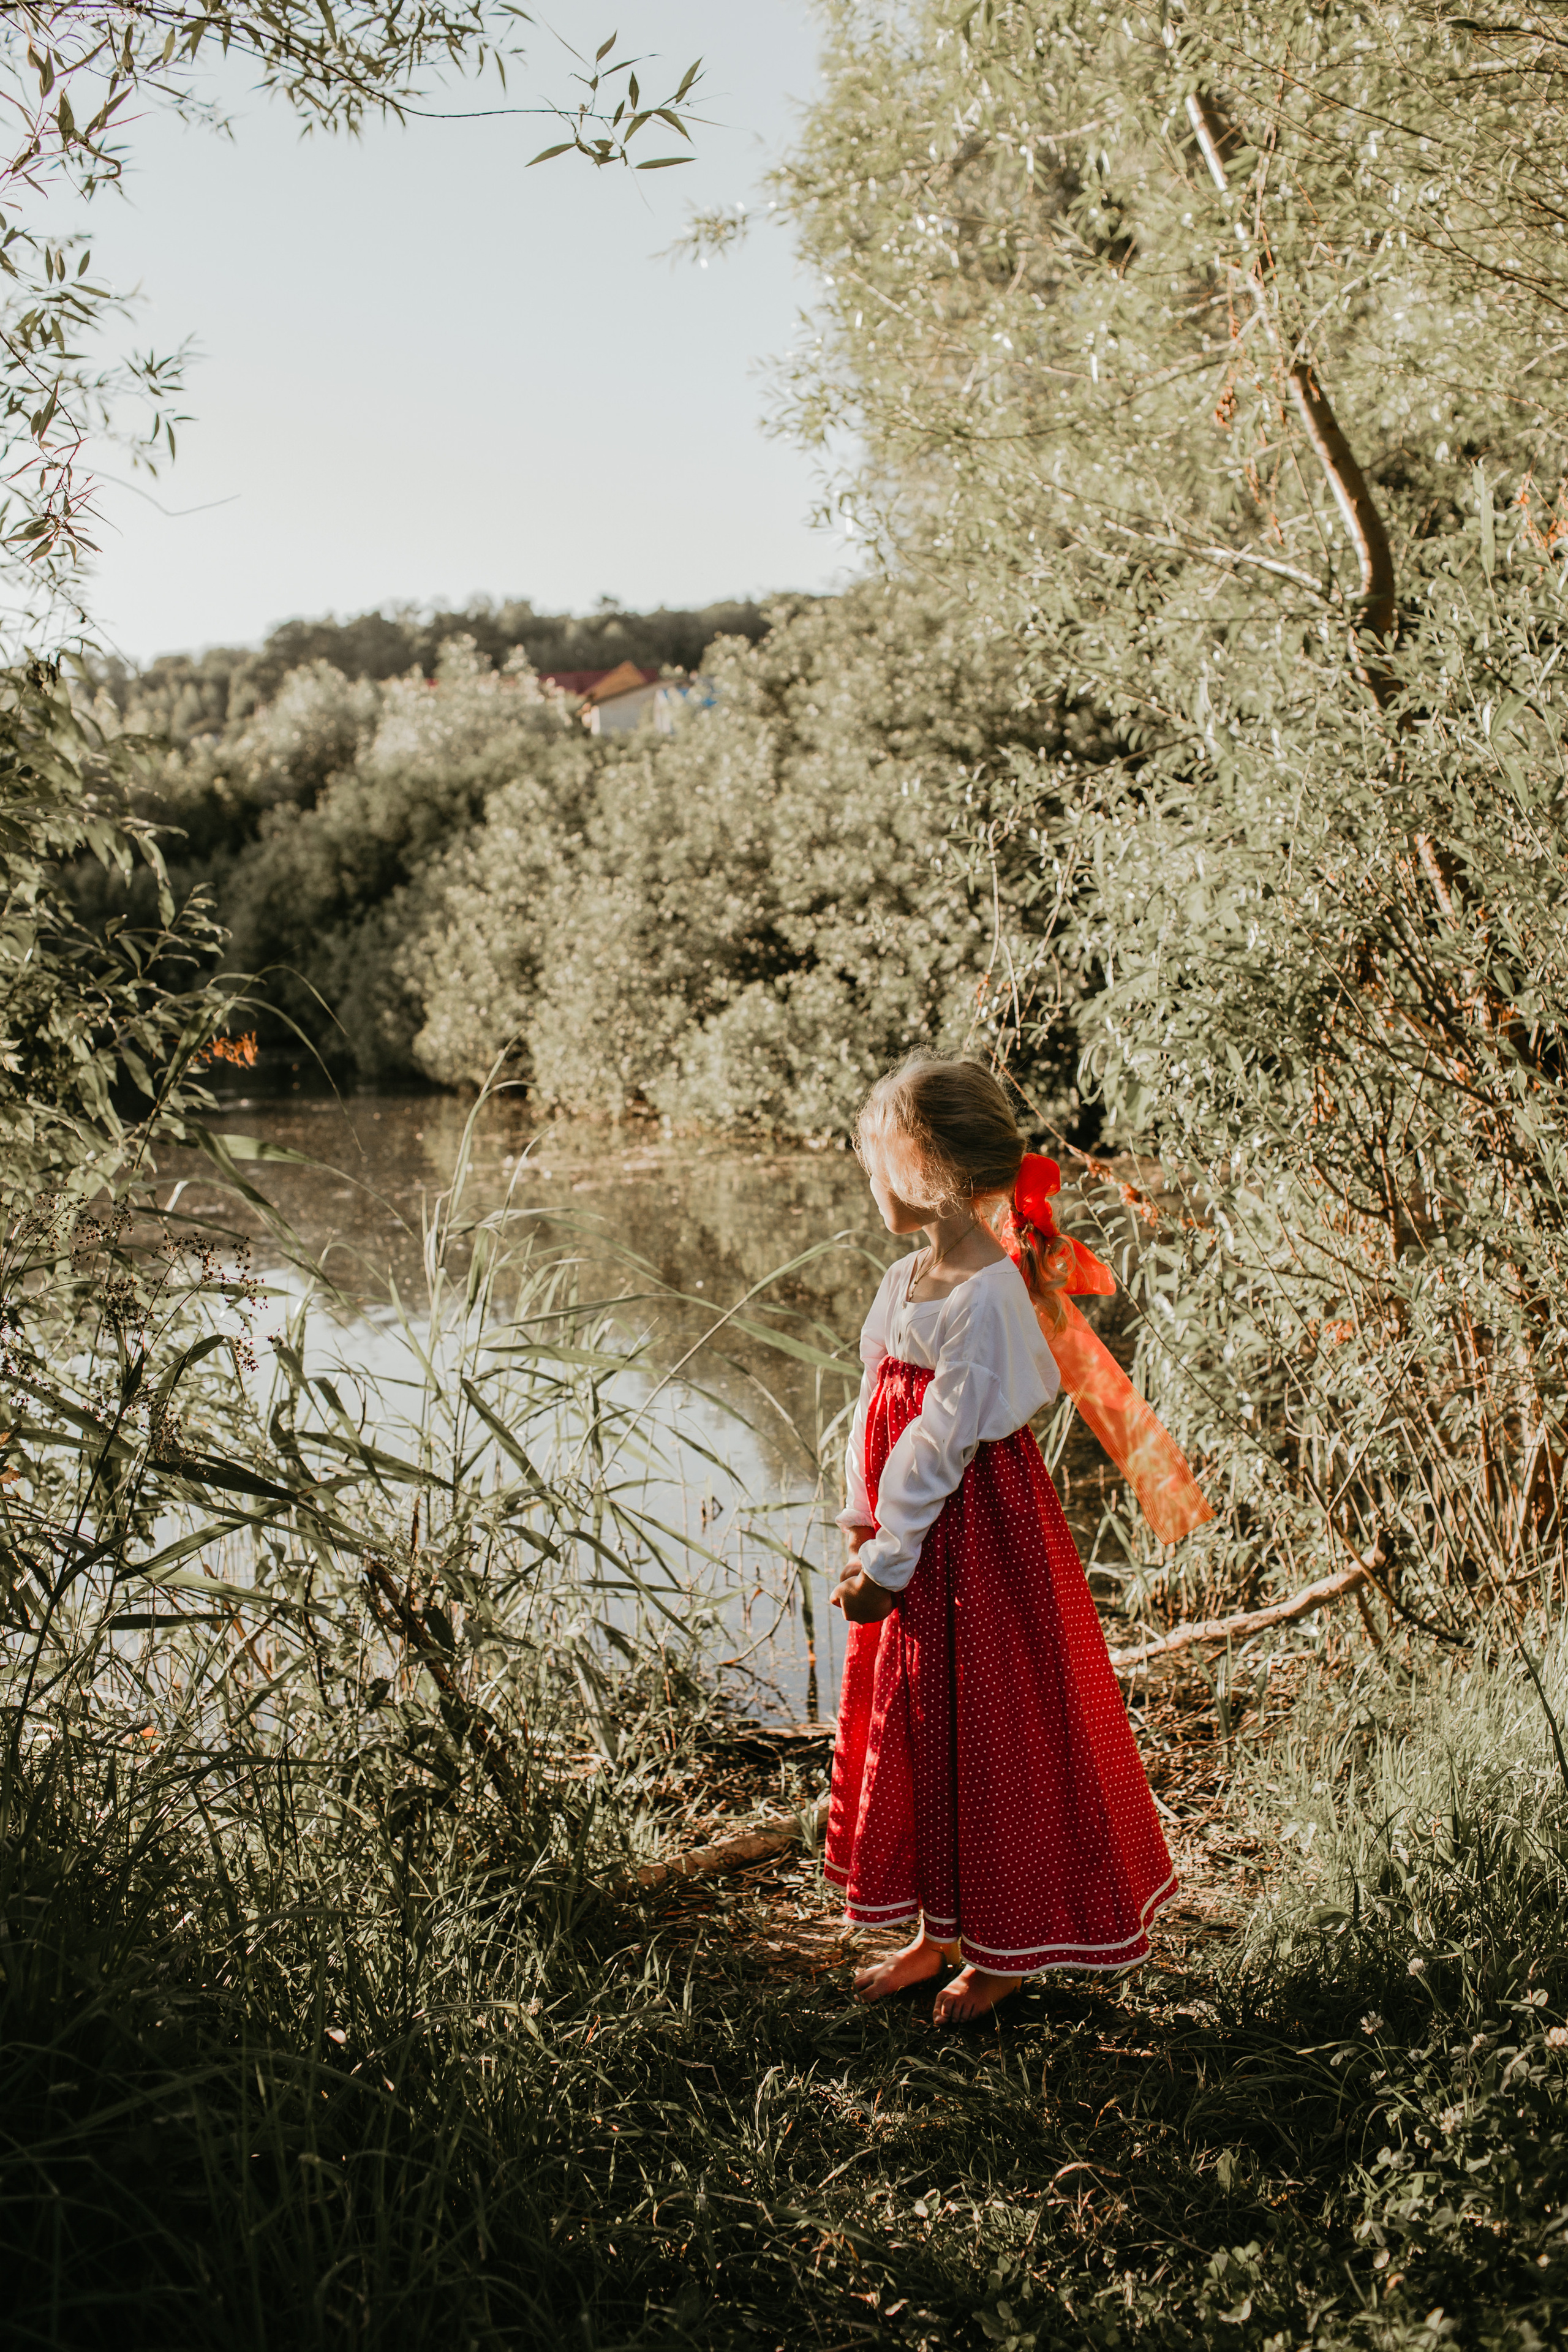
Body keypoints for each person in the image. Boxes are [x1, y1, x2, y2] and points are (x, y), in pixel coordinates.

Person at [827, 1054, 1194, 2025]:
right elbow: (873, 1408)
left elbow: (943, 1441)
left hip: (973, 1545)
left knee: (993, 1725)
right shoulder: (908, 1276)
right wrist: (862, 1527)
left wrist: (891, 1557)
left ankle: (1003, 1951)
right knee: (926, 1721)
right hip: (913, 1538)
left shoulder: (987, 1292)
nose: (871, 1184)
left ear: (922, 1165)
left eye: (876, 1163)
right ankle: (937, 1931)